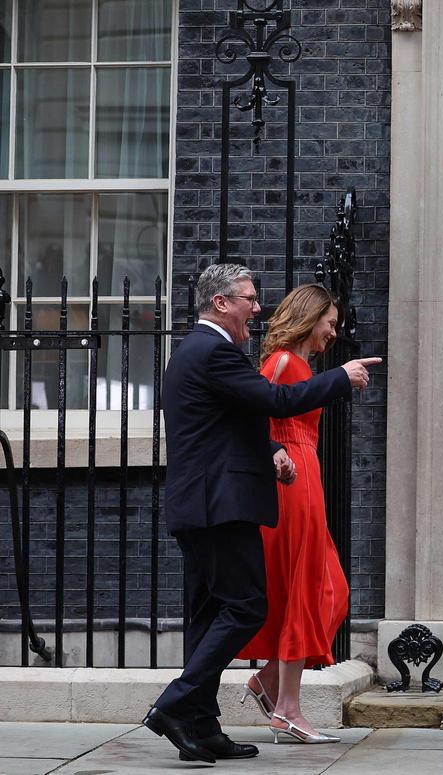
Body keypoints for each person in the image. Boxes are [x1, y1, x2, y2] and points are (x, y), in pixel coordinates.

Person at [143, 264, 379, 764]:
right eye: (249, 298)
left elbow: (228, 423)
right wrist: (340, 377)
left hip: (203, 503)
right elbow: (277, 399)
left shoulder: (196, 352)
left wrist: (269, 447)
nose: (257, 306)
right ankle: (175, 705)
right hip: (219, 506)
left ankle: (202, 728)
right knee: (247, 606)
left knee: (209, 618)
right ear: (221, 302)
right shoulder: (213, 351)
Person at [235, 283, 351, 744]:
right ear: (311, 316)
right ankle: (287, 708)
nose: (334, 332)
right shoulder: (283, 362)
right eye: (330, 322)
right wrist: (276, 455)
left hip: (307, 476)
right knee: (303, 586)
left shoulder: (298, 364)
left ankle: (267, 682)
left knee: (331, 590)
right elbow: (254, 420)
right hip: (291, 481)